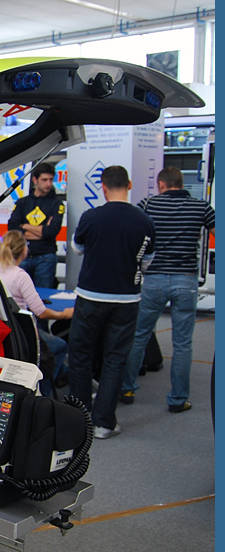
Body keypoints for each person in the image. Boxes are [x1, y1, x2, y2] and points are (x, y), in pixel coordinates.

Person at [67, 165, 155, 439]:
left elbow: (77, 248)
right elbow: (147, 261)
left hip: (91, 295)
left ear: (102, 187)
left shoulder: (92, 217)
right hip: (127, 299)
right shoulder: (144, 220)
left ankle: (78, 420)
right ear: (129, 184)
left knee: (81, 356)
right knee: (115, 359)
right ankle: (105, 423)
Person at [120, 166, 215, 412]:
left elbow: (131, 230)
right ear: (181, 184)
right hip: (186, 280)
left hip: (153, 280)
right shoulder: (200, 206)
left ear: (161, 184)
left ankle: (127, 388)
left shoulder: (148, 204)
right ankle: (178, 399)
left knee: (139, 335)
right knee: (183, 343)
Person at [0, 230, 73, 392]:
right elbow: (41, 312)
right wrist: (64, 314)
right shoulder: (20, 276)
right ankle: (44, 391)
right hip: (23, 331)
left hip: (1, 328)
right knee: (60, 346)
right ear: (24, 250)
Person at [7, 162, 64, 289]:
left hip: (46, 257)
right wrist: (41, 232)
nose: (48, 184)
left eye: (51, 180)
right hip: (22, 256)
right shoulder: (23, 202)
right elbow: (13, 227)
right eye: (44, 180)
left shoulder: (57, 204)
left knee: (43, 296)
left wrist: (25, 226)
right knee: (19, 294)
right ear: (35, 180)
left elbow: (51, 231)